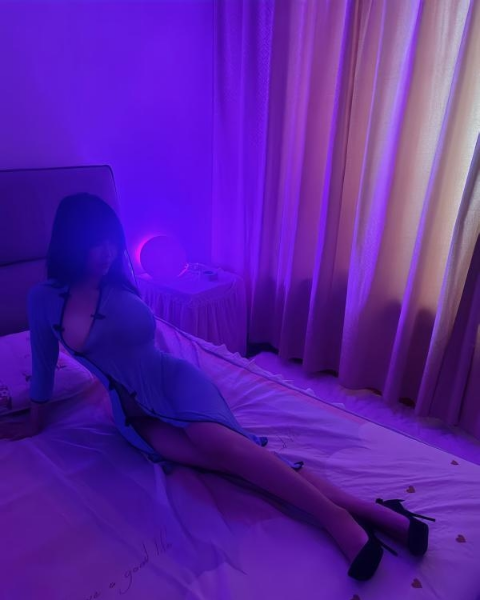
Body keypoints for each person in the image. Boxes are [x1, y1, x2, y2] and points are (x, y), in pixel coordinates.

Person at [0, 193, 434, 581]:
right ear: (70, 242)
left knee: (227, 447)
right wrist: (35, 421)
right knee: (233, 462)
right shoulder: (43, 299)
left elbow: (141, 344)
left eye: (112, 242)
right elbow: (43, 364)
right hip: (134, 418)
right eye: (96, 243)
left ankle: (335, 517)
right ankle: (378, 512)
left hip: (175, 383)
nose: (108, 253)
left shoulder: (120, 283)